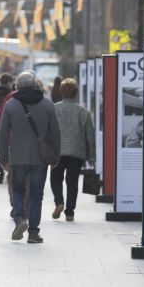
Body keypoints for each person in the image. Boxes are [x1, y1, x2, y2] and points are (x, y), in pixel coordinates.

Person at [0, 72, 61, 244]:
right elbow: (56, 133)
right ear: (35, 86)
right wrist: (56, 157)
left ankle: (19, 219)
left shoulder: (11, 105)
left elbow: (2, 133)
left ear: (17, 86)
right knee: (36, 195)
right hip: (40, 158)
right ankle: (33, 232)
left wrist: (3, 158)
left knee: (18, 190)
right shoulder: (47, 105)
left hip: (17, 156)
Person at [51, 78, 94, 222]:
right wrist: (92, 156)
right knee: (72, 181)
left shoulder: (54, 109)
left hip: (58, 151)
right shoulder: (84, 112)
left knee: (56, 178)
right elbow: (90, 136)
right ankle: (70, 212)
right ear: (76, 94)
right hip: (77, 151)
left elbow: (48, 131)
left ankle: (59, 202)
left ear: (61, 93)